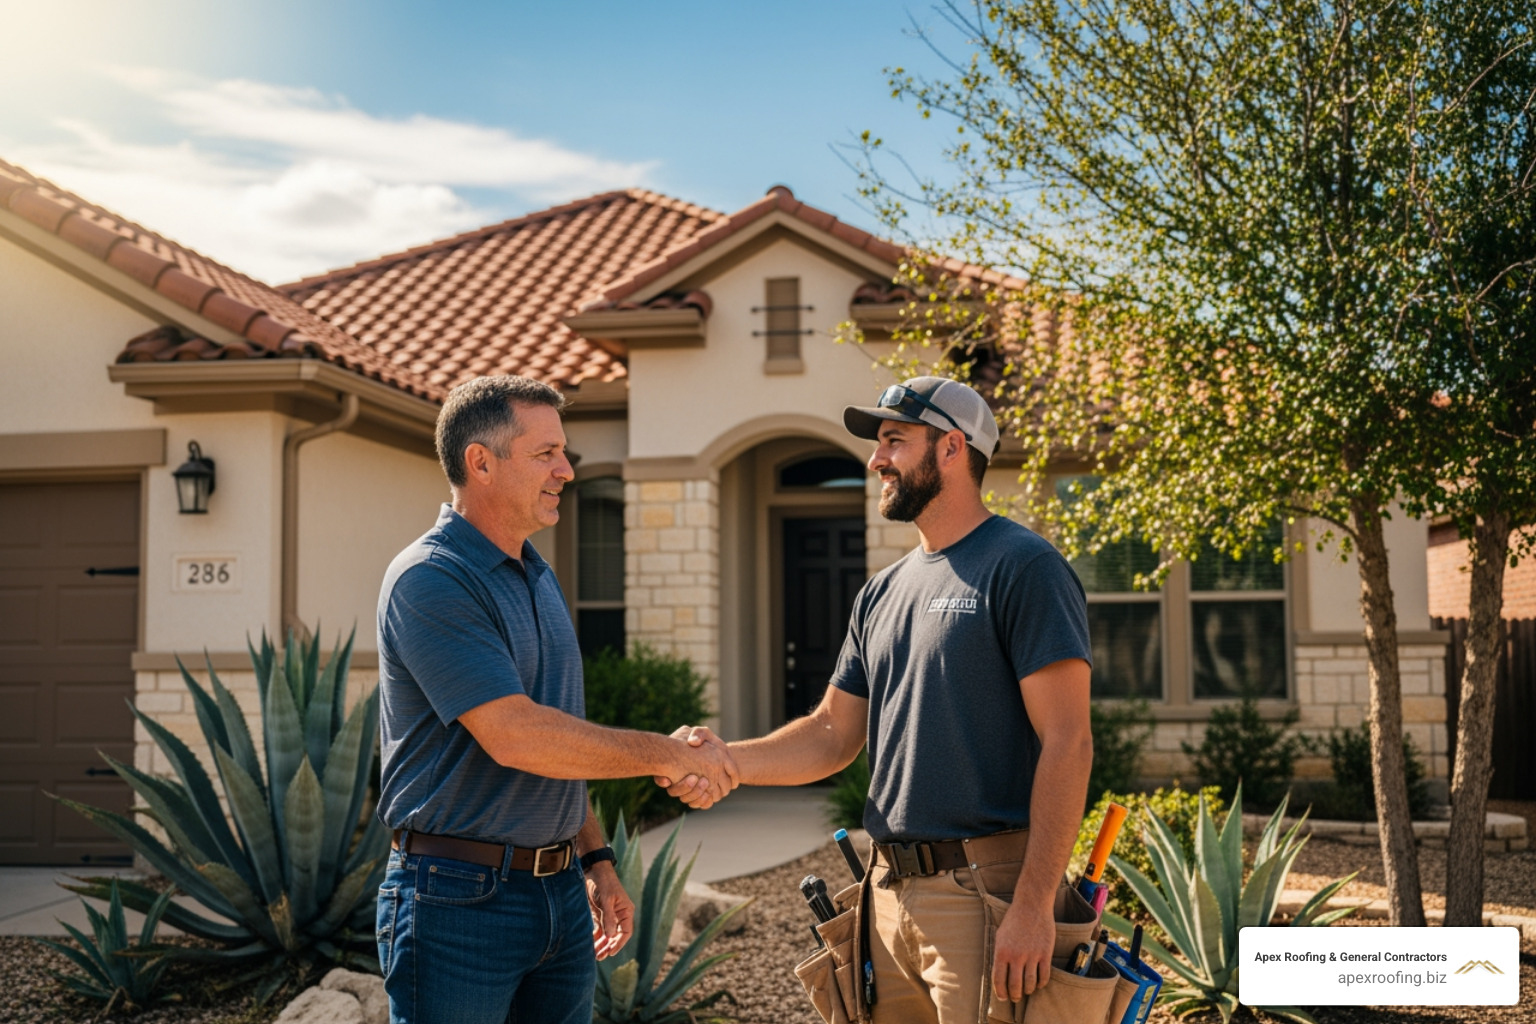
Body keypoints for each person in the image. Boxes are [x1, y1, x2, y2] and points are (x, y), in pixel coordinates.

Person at [664, 376, 1093, 1024]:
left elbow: (1069, 742)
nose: (875, 460)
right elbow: (832, 734)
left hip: (986, 893)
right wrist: (726, 760)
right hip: (886, 894)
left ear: (952, 447)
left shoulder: (1023, 567)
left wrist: (1033, 906)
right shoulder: (882, 593)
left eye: (893, 440)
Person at [376, 375, 739, 1024]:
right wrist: (667, 753)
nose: (567, 471)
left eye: (563, 453)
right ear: (480, 462)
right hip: (455, 901)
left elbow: (559, 738)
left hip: (558, 895)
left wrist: (596, 858)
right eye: (546, 453)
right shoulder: (432, 579)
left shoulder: (536, 576)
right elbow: (518, 735)